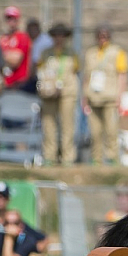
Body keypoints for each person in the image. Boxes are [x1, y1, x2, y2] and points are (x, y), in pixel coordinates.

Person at [82, 25, 128, 165]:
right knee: (95, 133)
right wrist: (84, 97)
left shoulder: (117, 52)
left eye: (105, 35)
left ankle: (112, 158)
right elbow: (86, 77)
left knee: (111, 131)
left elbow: (122, 75)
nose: (103, 38)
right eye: (100, 35)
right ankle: (96, 159)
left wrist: (120, 96)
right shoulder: (90, 53)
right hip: (93, 98)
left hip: (110, 98)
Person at [37, 23, 79, 166]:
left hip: (67, 92)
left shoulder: (72, 53)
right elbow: (40, 73)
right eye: (56, 35)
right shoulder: (45, 53)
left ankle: (67, 157)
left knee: (67, 125)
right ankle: (50, 156)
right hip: (49, 93)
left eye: (61, 35)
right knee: (48, 124)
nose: (58, 38)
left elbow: (75, 71)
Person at [0, 6, 32, 90]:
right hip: (5, 83)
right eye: (8, 19)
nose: (11, 22)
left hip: (19, 84)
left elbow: (15, 60)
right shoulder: (3, 38)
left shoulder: (22, 37)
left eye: (14, 19)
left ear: (18, 21)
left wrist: (1, 54)